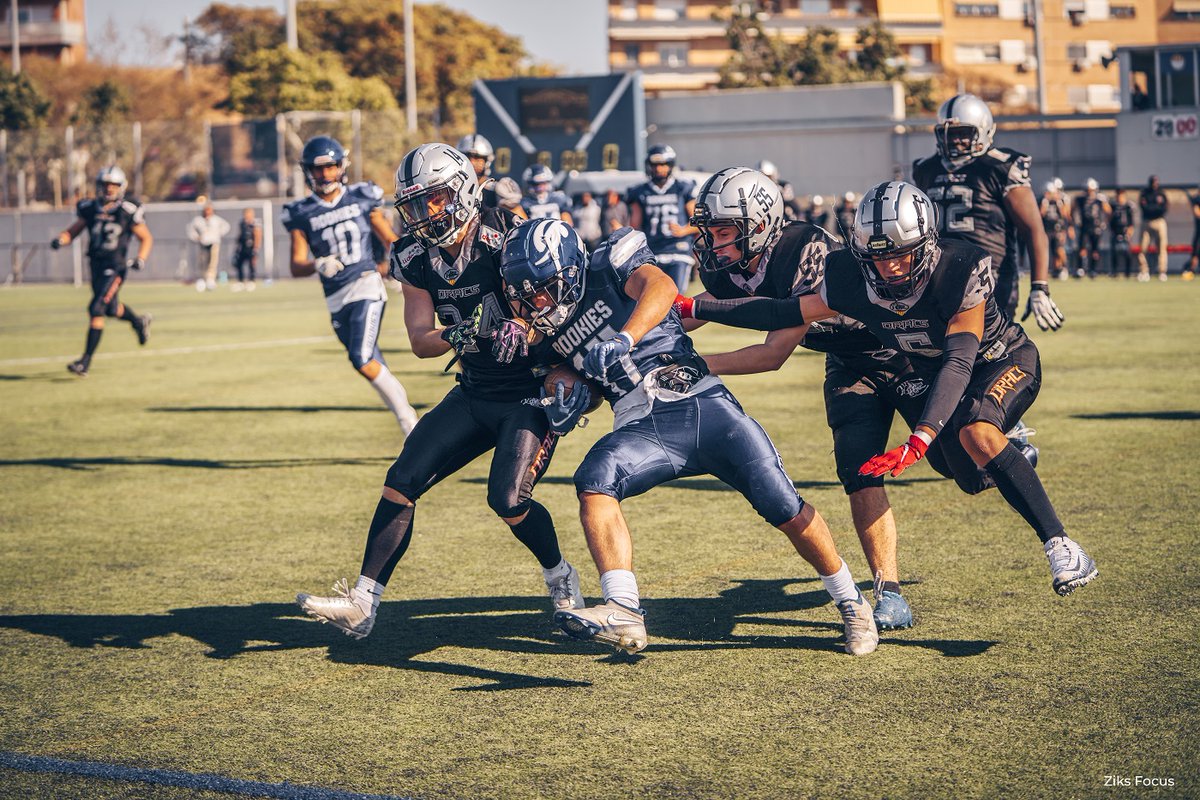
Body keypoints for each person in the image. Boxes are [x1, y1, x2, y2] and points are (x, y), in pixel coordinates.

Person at [678, 181, 1099, 599]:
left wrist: (919, 438)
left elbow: (959, 361)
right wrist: (695, 307)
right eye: (877, 257)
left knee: (976, 433)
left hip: (999, 359)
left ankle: (1063, 546)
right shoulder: (851, 278)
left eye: (900, 254)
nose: (890, 268)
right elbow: (783, 310)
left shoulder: (959, 268)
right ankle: (997, 461)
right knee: (956, 472)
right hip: (921, 365)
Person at [500, 218, 879, 657]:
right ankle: (624, 607)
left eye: (543, 288)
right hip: (640, 422)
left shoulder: (610, 263)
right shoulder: (545, 331)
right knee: (594, 478)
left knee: (783, 506)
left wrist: (627, 337)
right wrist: (566, 395)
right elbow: (581, 385)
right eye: (526, 293)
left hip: (700, 403)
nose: (537, 301)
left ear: (568, 270)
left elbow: (660, 288)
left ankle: (851, 599)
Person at [296, 142, 583, 638]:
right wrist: (462, 333)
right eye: (413, 205)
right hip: (474, 389)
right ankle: (363, 602)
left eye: (433, 200)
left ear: (463, 192)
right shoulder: (412, 254)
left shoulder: (509, 234)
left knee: (508, 499)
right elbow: (420, 340)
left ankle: (562, 578)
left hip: (529, 392)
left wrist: (528, 330)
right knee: (402, 478)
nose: (424, 214)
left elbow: (560, 301)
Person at [683, 167, 946, 628]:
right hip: (847, 364)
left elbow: (773, 352)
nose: (713, 242)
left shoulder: (805, 251)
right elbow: (701, 306)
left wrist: (698, 364)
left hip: (898, 351)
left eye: (724, 231)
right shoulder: (740, 262)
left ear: (760, 224)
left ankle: (994, 427)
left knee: (956, 461)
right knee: (859, 471)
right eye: (709, 231)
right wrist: (637, 331)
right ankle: (889, 589)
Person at [280, 135, 419, 435]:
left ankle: (410, 425)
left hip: (366, 284)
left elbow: (390, 240)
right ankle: (408, 421)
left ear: (341, 166)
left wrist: (404, 270)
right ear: (307, 171)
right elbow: (296, 264)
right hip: (335, 296)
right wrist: (317, 264)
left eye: (330, 167)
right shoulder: (301, 212)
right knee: (370, 362)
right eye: (318, 170)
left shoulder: (361, 197)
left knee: (361, 357)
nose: (325, 175)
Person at [913, 93, 1057, 328]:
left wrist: (1039, 286)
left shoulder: (1000, 167)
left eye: (962, 134)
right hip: (938, 277)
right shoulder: (926, 169)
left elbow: (1033, 230)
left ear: (984, 131)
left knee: (986, 356)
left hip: (990, 279)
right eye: (947, 134)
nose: (954, 142)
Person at [52, 165, 153, 377]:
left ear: (121, 187)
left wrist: (141, 259)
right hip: (96, 265)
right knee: (111, 308)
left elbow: (146, 237)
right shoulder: (90, 208)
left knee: (97, 308)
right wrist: (61, 239)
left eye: (113, 185)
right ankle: (138, 321)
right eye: (106, 185)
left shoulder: (127, 210)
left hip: (115, 267)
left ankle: (85, 362)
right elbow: (75, 229)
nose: (109, 189)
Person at [627, 144, 699, 293]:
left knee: (675, 297)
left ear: (670, 165)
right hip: (653, 251)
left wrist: (683, 230)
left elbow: (698, 222)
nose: (658, 168)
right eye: (655, 164)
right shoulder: (641, 192)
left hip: (678, 249)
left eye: (663, 164)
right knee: (652, 296)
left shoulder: (682, 188)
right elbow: (635, 225)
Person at [456, 133, 524, 218]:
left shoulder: (498, 187)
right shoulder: (453, 186)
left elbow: (521, 224)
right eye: (467, 157)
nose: (471, 162)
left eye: (477, 158)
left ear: (487, 161)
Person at [187, 204, 231, 291]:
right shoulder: (198, 220)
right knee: (202, 262)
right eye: (206, 210)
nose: (208, 212)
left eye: (209, 210)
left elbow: (226, 226)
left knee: (213, 262)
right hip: (203, 243)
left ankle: (210, 279)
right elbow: (190, 229)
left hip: (214, 242)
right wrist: (196, 237)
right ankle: (202, 278)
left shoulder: (217, 219)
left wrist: (218, 234)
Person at [1074, 178, 1111, 279]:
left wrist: (1104, 223)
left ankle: (1093, 269)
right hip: (1084, 227)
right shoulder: (1080, 199)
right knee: (1082, 248)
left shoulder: (1100, 199)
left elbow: (1108, 211)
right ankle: (1081, 268)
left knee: (1095, 250)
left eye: (1091, 190)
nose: (1089, 192)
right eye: (1087, 190)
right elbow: (1073, 210)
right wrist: (1075, 222)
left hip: (1096, 227)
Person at [1137, 175, 1169, 282]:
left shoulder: (1161, 193)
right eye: (1153, 182)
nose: (1155, 184)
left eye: (1156, 182)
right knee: (1143, 248)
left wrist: (1154, 208)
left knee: (1162, 247)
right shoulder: (1145, 193)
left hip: (1159, 221)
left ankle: (1162, 272)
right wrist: (1155, 207)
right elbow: (1144, 208)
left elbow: (1164, 208)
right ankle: (1144, 271)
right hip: (1147, 221)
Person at [1039, 181, 1071, 281]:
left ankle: (1065, 268)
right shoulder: (1043, 200)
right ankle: (1056, 270)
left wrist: (1059, 203)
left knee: (1059, 249)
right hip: (1047, 229)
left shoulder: (1061, 200)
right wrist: (1045, 202)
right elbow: (1041, 214)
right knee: (1052, 251)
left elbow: (1065, 215)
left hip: (1058, 228)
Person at [1109, 189, 1137, 279]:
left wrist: (1130, 232)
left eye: (1121, 195)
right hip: (1115, 232)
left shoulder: (1128, 206)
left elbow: (1131, 221)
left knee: (1127, 254)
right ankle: (1114, 272)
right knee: (1115, 253)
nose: (1119, 197)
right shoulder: (1113, 206)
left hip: (1125, 232)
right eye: (1118, 195)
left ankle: (1127, 273)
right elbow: (1109, 217)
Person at [231, 207, 261, 291]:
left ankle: (251, 281)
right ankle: (240, 281)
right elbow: (240, 235)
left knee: (251, 265)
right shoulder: (242, 223)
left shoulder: (255, 223)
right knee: (239, 264)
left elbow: (258, 236)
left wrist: (256, 248)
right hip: (242, 247)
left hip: (251, 247)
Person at [1187, 188, 1200, 280]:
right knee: (1195, 251)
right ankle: (1191, 271)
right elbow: (1197, 212)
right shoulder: (1196, 199)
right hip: (1199, 231)